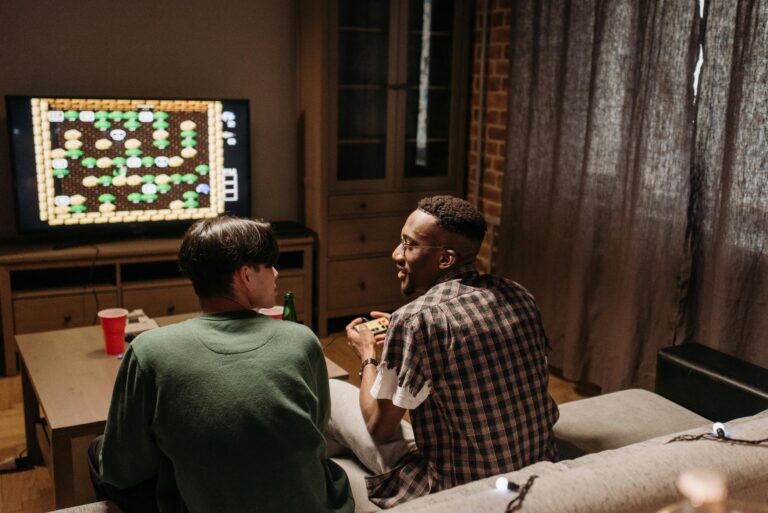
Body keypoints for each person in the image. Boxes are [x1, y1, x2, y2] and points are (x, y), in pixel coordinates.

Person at [89, 216, 354, 513]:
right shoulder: (302, 340)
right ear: (246, 276)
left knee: (99, 451)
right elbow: (315, 431)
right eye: (268, 264)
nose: (277, 273)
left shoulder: (148, 350)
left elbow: (121, 471)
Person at [345, 196, 559, 507]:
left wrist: (368, 355)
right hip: (538, 465)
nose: (396, 254)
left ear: (445, 260)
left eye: (409, 245)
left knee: (333, 394)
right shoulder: (519, 294)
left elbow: (380, 428)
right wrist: (403, 338)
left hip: (465, 486)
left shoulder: (416, 320)